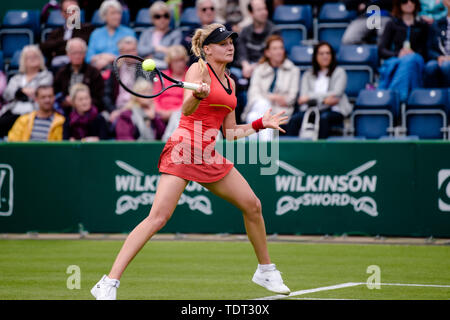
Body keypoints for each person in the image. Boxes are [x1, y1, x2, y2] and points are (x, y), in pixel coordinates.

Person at [91, 24, 290, 300]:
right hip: (184, 148)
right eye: (222, 43)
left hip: (208, 153)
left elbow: (230, 133)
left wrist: (259, 124)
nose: (229, 46)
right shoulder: (198, 70)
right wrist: (197, 95)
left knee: (253, 205)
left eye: (231, 41)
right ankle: (108, 282)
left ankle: (265, 270)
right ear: (207, 49)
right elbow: (185, 109)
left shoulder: (231, 83)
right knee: (158, 218)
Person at [286, 41, 352, 139]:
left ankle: (320, 151)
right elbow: (303, 96)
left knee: (324, 118)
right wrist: (325, 100)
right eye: (321, 53)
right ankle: (290, 150)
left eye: (328, 53)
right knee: (295, 119)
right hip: (311, 109)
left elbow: (337, 93)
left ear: (332, 56)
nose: (325, 56)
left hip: (335, 110)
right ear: (315, 56)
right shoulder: (307, 75)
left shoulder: (340, 72)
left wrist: (311, 97)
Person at [241, 35, 299, 141]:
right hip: (260, 107)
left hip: (281, 112)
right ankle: (267, 151)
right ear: (267, 52)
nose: (279, 51)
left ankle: (253, 155)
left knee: (252, 117)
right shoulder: (259, 69)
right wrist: (274, 98)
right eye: (275, 48)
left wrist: (267, 97)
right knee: (262, 108)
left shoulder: (293, 70)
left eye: (281, 48)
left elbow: (290, 99)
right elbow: (253, 94)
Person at [378, 0, 429, 102]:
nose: (409, 3)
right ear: (399, 4)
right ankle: (412, 101)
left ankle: (394, 98)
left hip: (417, 60)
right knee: (406, 63)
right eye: (405, 1)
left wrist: (412, 54)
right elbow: (382, 50)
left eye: (412, 1)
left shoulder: (422, 25)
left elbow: (426, 49)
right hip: (397, 61)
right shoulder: (392, 24)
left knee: (411, 60)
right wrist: (398, 54)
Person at [0, 45, 53, 138]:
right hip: (14, 110)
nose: (33, 59)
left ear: (40, 59)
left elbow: (39, 93)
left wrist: (18, 92)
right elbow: (7, 94)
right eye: (29, 57)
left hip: (35, 111)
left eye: (35, 56)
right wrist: (22, 91)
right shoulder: (16, 78)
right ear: (23, 61)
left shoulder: (47, 76)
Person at [54, 38, 105, 117]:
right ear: (68, 54)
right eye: (74, 53)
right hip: (65, 112)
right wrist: (64, 101)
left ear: (85, 54)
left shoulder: (94, 72)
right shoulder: (61, 72)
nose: (77, 56)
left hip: (89, 112)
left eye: (80, 53)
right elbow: (56, 93)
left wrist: (83, 102)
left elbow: (99, 97)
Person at [40, 0, 95, 70]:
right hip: (56, 66)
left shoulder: (87, 29)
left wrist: (56, 50)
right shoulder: (56, 32)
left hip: (79, 65)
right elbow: (44, 47)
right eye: (68, 11)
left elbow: (83, 44)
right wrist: (66, 42)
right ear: (62, 13)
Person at [86, 0, 136, 70]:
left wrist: (112, 58)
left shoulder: (129, 32)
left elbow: (132, 56)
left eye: (118, 13)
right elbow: (88, 57)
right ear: (104, 16)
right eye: (113, 13)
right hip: (99, 69)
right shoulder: (96, 34)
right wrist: (102, 56)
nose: (117, 17)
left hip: (122, 70)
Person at [237, 0, 278, 79]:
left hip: (266, 66)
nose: (264, 12)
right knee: (234, 74)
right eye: (259, 10)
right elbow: (241, 52)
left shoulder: (274, 31)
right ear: (251, 13)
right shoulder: (245, 31)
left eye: (265, 9)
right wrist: (245, 65)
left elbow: (273, 55)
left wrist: (255, 66)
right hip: (247, 67)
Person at [102, 36, 138, 123]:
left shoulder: (144, 70)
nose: (131, 54)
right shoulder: (114, 69)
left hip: (135, 108)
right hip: (116, 108)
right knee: (101, 118)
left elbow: (144, 96)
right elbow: (106, 94)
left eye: (133, 50)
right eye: (127, 51)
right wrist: (113, 110)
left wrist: (121, 112)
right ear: (121, 53)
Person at [137, 1, 182, 70]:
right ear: (152, 19)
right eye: (157, 16)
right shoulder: (146, 32)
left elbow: (175, 54)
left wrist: (150, 54)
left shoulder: (176, 33)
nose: (162, 19)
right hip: (146, 70)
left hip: (166, 70)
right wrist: (157, 49)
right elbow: (140, 50)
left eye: (166, 16)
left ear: (170, 17)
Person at [153, 45, 189, 122]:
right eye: (175, 61)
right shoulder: (161, 76)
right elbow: (155, 98)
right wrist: (160, 112)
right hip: (161, 115)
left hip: (181, 115)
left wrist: (173, 113)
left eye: (181, 60)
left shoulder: (190, 76)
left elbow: (189, 100)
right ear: (170, 62)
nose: (179, 64)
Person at [424, 0, 450, 87]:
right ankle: (433, 97)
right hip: (440, 58)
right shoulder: (437, 24)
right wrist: (438, 57)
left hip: (447, 63)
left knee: (446, 66)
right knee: (430, 66)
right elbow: (429, 49)